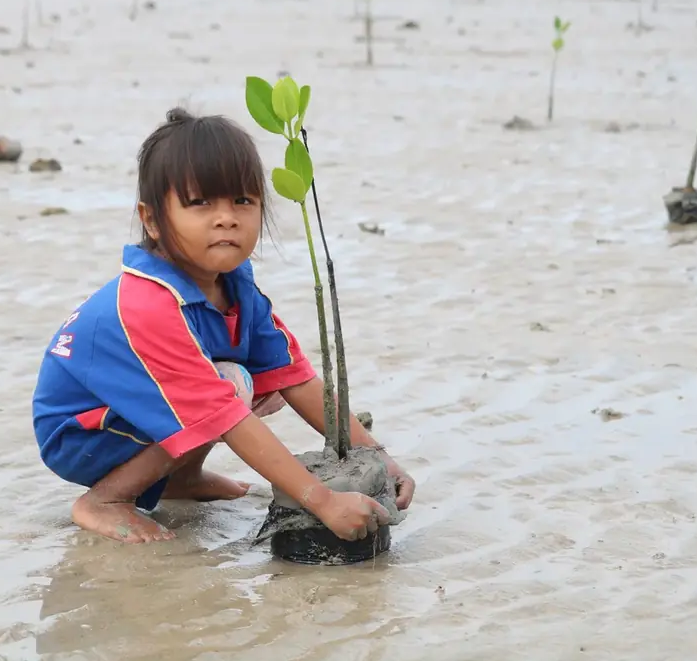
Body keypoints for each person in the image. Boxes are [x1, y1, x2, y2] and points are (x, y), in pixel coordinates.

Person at [31, 107, 416, 544]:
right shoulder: (150, 304)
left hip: (141, 412)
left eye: (242, 201)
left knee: (252, 381)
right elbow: (223, 416)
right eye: (200, 203)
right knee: (227, 388)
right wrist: (323, 501)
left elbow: (294, 376)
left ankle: (182, 479)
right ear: (152, 220)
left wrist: (379, 458)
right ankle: (106, 499)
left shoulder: (235, 284)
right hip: (84, 432)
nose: (226, 218)